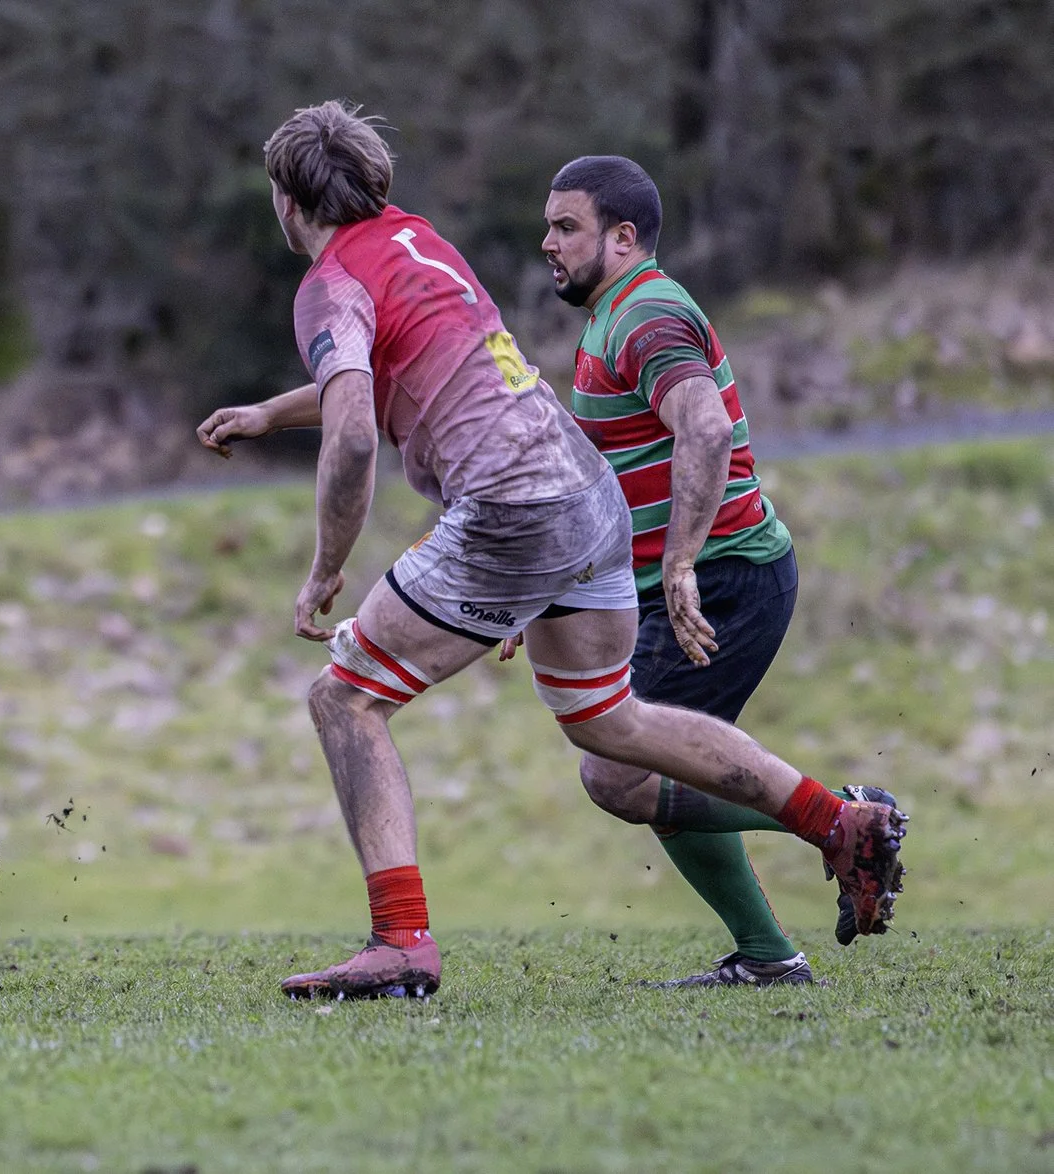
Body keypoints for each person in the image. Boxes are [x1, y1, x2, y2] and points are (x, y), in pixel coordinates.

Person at [195, 103, 907, 999]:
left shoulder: (330, 285)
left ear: (287, 201)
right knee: (610, 727)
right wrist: (270, 411)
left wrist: (326, 565)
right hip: (588, 499)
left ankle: (400, 942)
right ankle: (836, 822)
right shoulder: (420, 244)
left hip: (517, 512)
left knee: (346, 700)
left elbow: (353, 440)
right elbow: (384, 376)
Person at [539, 156, 897, 986]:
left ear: (622, 238)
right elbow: (609, 480)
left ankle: (846, 825)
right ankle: (776, 944)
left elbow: (704, 430)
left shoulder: (647, 315)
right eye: (549, 225)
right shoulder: (611, 317)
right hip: (708, 577)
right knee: (659, 766)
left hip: (727, 577)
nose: (547, 243)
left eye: (567, 227)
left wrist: (683, 563)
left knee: (619, 771)